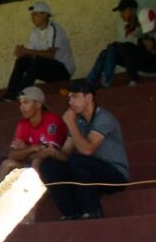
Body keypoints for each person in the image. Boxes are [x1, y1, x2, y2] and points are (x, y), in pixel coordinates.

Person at [38, 79, 130, 220]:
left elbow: (87, 150)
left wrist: (69, 122)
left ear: (88, 97)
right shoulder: (79, 121)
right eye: (69, 98)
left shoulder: (104, 118)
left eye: (74, 97)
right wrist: (52, 153)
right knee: (49, 166)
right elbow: (66, 155)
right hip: (87, 172)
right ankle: (71, 213)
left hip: (114, 174)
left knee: (78, 161)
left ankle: (94, 211)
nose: (70, 102)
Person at [87, 0, 156, 89]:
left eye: (123, 11)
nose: (121, 14)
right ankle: (97, 83)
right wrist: (138, 40)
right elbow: (133, 38)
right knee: (118, 48)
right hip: (154, 58)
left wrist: (154, 45)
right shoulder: (137, 26)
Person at [1, 1, 75, 101]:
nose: (32, 18)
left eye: (35, 14)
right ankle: (9, 95)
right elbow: (31, 54)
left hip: (63, 70)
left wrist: (26, 51)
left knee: (36, 63)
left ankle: (22, 93)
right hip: (46, 68)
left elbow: (50, 55)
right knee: (22, 61)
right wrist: (22, 53)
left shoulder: (54, 29)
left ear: (44, 15)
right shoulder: (34, 32)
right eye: (31, 15)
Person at [0, 86, 66, 175]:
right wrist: (32, 148)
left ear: (38, 104)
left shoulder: (52, 121)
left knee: (37, 161)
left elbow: (47, 153)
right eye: (20, 103)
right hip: (29, 164)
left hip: (53, 166)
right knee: (7, 164)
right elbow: (12, 155)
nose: (21, 107)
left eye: (26, 102)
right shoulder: (22, 125)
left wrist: (25, 150)